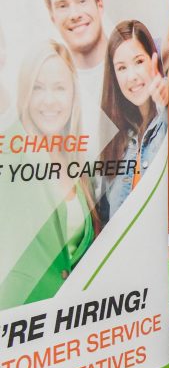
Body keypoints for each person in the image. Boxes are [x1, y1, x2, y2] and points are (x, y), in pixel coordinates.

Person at [0, 42, 101, 308]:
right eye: (37, 87)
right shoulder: (9, 151)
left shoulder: (80, 164)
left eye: (59, 88)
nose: (49, 100)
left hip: (70, 317)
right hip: (17, 316)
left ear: (73, 94)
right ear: (25, 93)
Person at [99, 21, 169, 219]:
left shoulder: (166, 121)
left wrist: (168, 103)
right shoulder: (116, 140)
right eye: (121, 68)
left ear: (152, 59)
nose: (132, 76)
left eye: (139, 62)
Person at [42, 0, 113, 145]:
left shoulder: (138, 63)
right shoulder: (51, 91)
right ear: (53, 17)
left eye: (81, 1)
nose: (74, 15)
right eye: (62, 6)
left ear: (99, 4)